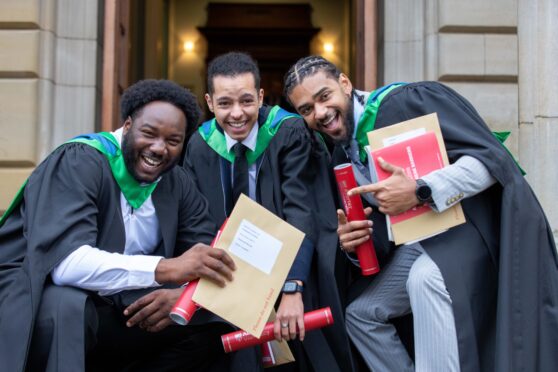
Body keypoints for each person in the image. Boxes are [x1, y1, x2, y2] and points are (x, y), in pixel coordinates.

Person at [283, 56, 558, 372]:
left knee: (423, 279)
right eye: (306, 109)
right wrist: (354, 244)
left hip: (470, 229)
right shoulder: (341, 152)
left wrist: (420, 190)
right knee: (362, 313)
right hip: (420, 243)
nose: (319, 112)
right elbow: (385, 227)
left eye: (324, 96)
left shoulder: (406, 102)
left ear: (344, 83)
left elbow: (490, 165)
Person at [0, 79, 241, 372]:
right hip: (38, 298)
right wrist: (166, 268)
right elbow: (65, 266)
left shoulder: (177, 184)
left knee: (212, 323)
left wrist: (182, 297)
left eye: (173, 141)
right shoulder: (80, 162)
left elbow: (206, 256)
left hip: (117, 307)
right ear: (127, 126)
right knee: (68, 307)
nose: (158, 148)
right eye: (149, 134)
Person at [183, 52, 354, 371]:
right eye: (224, 104)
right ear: (209, 102)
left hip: (291, 262)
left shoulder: (286, 132)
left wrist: (293, 286)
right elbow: (198, 222)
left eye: (247, 101)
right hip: (229, 274)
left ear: (261, 97)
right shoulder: (200, 145)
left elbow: (300, 212)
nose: (237, 114)